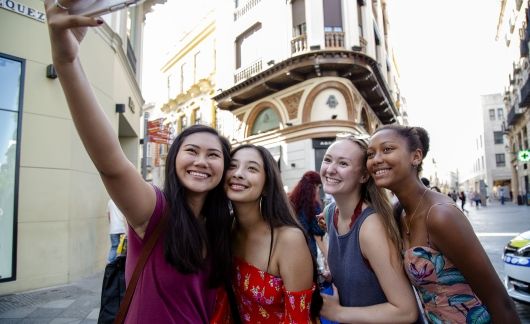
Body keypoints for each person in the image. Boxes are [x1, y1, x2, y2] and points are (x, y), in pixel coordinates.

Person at [44, 4, 235, 322]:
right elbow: (111, 163)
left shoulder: (225, 229)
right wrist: (67, 61)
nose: (201, 161)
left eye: (213, 155)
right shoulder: (155, 211)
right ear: (174, 160)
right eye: (191, 151)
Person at [367, 124, 520, 323]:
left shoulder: (441, 215)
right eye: (370, 154)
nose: (376, 159)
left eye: (387, 149)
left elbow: (499, 301)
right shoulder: (400, 214)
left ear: (416, 156)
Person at [318, 134, 418, 323]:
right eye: (327, 160)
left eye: (343, 164)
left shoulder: (371, 226)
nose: (330, 169)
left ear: (364, 175)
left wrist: (337, 313)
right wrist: (335, 276)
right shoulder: (331, 212)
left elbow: (406, 311)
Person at [225, 144, 322, 323]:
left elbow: (298, 319)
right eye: (232, 166)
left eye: (252, 168)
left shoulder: (288, 239)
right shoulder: (223, 229)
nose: (238, 173)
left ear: (267, 187)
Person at [288, 171, 326, 259]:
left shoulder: (289, 201)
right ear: (314, 186)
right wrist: (328, 258)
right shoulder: (313, 206)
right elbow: (318, 236)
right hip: (307, 253)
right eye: (318, 187)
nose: (318, 191)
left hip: (288, 251)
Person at [106, 199, 126, 263]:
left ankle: (109, 265)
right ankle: (122, 268)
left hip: (113, 229)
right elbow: (125, 216)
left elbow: (109, 216)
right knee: (124, 250)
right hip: (123, 229)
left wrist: (112, 226)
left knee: (114, 247)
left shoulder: (110, 202)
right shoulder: (122, 200)